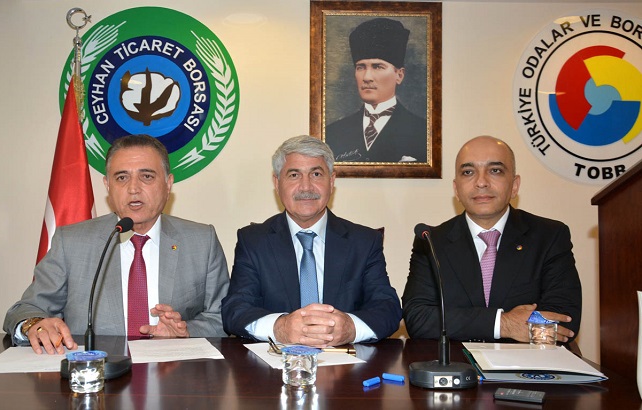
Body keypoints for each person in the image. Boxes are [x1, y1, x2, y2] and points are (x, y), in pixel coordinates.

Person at [4, 134, 230, 354]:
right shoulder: (71, 242)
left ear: (168, 183)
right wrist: (35, 325)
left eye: (147, 176)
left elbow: (222, 316)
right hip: (97, 371)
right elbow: (25, 309)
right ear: (107, 185)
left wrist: (185, 331)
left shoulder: (202, 241)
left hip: (174, 372)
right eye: (121, 178)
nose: (133, 188)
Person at [221, 135, 401, 346]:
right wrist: (281, 328)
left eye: (316, 174)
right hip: (275, 363)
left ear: (331, 181)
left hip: (346, 362)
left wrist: (350, 328)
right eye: (294, 175)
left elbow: (388, 308)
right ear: (277, 183)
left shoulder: (364, 242)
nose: (306, 187)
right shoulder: (253, 241)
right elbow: (235, 310)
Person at [402, 136, 582, 343]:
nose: (481, 182)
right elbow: (418, 319)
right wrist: (503, 324)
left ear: (514, 186)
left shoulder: (550, 236)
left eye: (495, 170)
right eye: (468, 172)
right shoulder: (432, 241)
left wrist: (463, 320)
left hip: (525, 362)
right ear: (456, 189)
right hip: (456, 360)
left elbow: (564, 321)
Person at [326, 17, 427, 163]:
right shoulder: (332, 133)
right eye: (360, 67)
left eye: (377, 67)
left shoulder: (422, 132)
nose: (367, 77)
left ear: (399, 75)